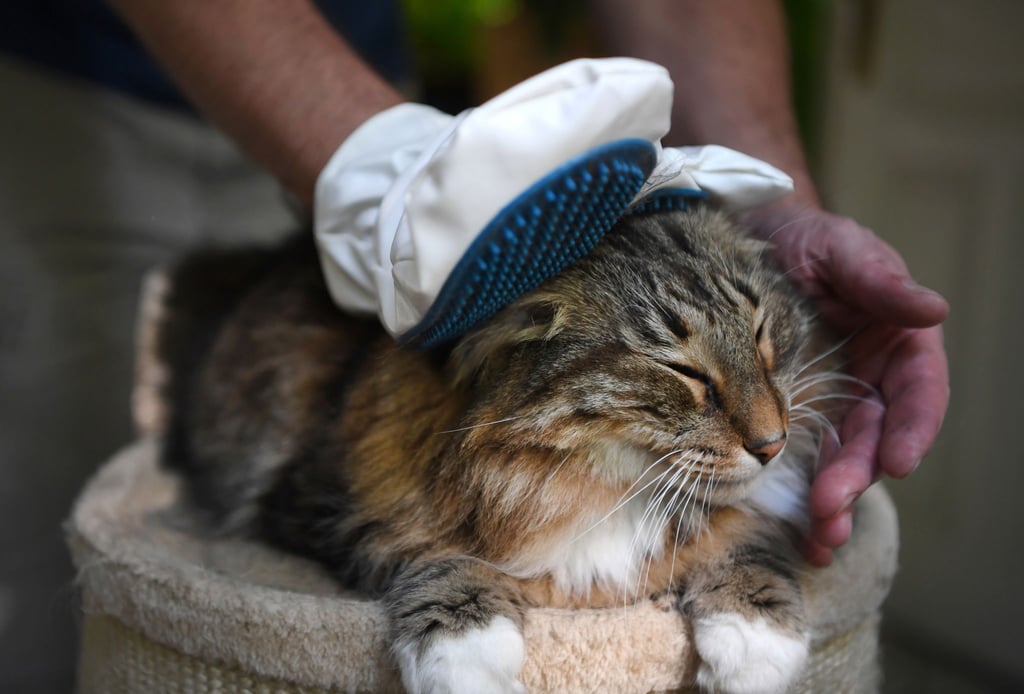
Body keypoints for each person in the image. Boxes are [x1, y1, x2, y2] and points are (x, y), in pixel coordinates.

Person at [0, 0, 948, 690]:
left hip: (354, 63)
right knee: (47, 522)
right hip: (74, 92)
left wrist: (777, 209)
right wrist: (393, 183)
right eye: (689, 379)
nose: (765, 427)